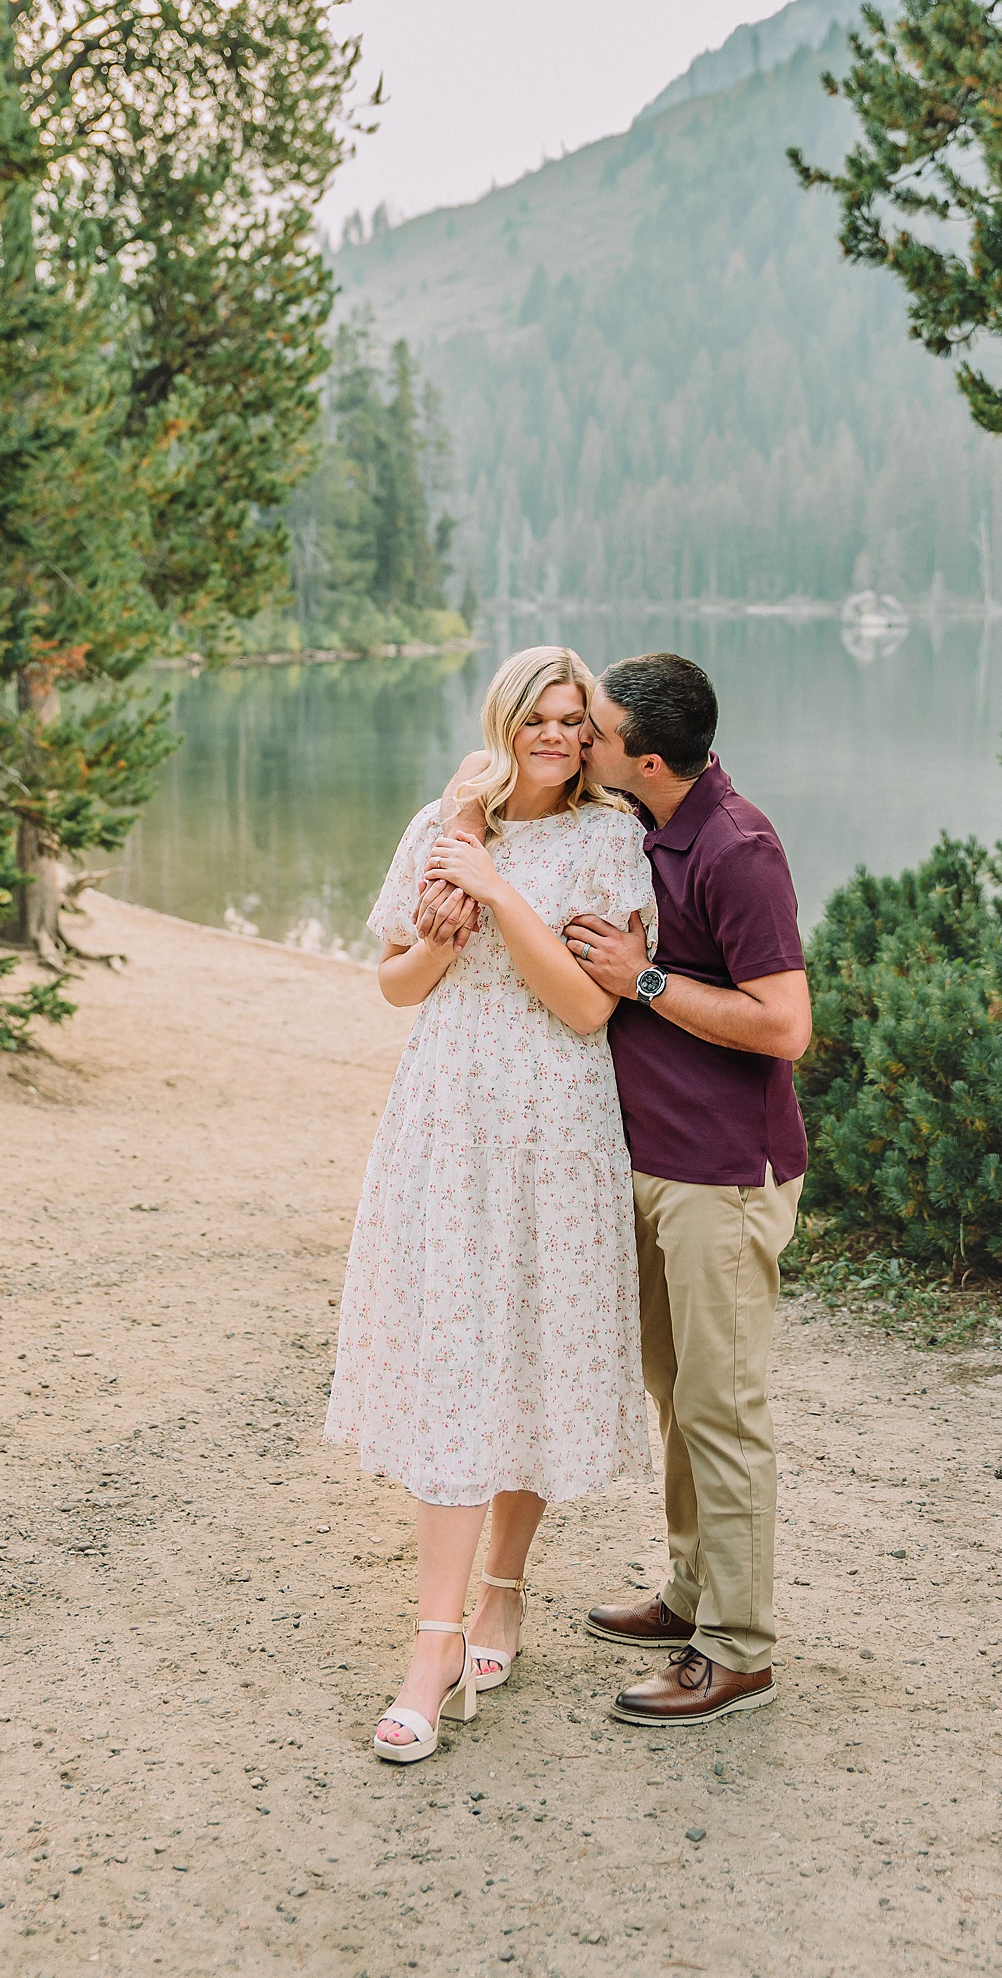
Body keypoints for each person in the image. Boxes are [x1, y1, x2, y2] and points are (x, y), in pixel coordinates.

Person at [424, 651, 810, 1728]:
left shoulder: (737, 850)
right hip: (647, 1158)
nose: (575, 739)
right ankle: (691, 1592)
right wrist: (471, 807)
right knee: (676, 1391)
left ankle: (736, 1651)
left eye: (591, 729)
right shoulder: (642, 819)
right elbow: (486, 780)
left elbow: (786, 1025)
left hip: (722, 1170)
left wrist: (641, 980)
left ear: (645, 758)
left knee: (722, 1408)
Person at [325, 644, 657, 1764]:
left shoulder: (609, 841)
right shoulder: (441, 822)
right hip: (447, 1118)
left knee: (528, 1353)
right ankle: (432, 1648)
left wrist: (499, 890)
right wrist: (437, 936)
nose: (555, 737)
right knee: (458, 1359)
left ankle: (501, 1593)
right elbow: (394, 984)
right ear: (504, 721)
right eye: (536, 718)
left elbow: (585, 1010)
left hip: (556, 1125)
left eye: (572, 721)